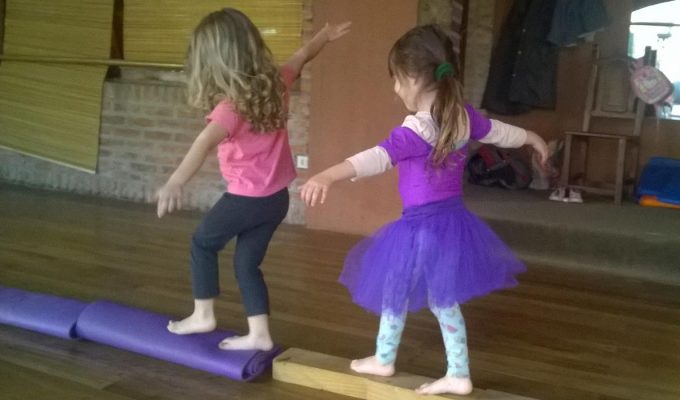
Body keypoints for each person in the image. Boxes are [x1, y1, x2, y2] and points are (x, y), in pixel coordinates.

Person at [300, 25, 548, 395]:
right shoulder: (461, 115)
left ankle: (425, 367)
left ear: (414, 79)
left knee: (418, 294)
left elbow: (378, 157)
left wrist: (329, 175)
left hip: (420, 227)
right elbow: (499, 132)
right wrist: (532, 137)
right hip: (451, 221)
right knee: (425, 294)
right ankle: (421, 365)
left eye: (397, 81)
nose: (396, 89)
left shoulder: (417, 128)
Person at [155, 8, 351, 351]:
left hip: (245, 201)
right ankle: (259, 334)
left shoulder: (230, 109)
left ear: (214, 63)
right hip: (276, 200)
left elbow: (202, 143)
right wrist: (324, 36)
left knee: (203, 243)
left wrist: (175, 182)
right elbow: (302, 56)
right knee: (246, 264)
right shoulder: (275, 84)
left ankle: (203, 314)